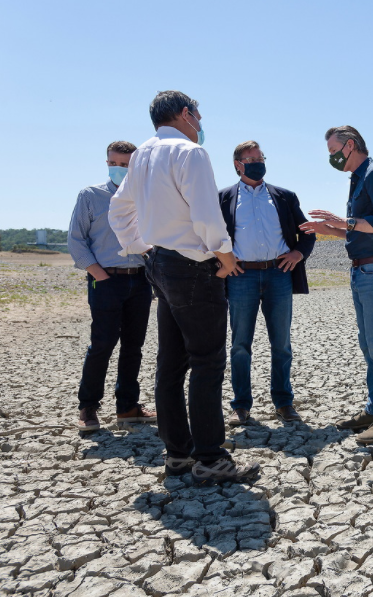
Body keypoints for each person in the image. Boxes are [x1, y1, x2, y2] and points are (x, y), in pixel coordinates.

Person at [108, 90, 259, 485]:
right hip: (193, 266)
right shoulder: (190, 153)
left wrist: (141, 247)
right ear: (186, 113)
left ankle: (177, 454)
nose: (200, 121)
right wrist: (225, 256)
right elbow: (206, 213)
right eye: (198, 113)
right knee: (207, 361)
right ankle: (210, 458)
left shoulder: (140, 155)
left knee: (171, 365)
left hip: (159, 263)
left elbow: (119, 209)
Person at [300, 126, 373, 444]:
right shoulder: (357, 180)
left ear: (349, 145)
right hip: (361, 272)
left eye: (334, 151)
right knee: (368, 344)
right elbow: (356, 232)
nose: (332, 158)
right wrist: (328, 228)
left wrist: (343, 221)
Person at [219, 141, 316, 426]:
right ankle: (241, 405)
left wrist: (299, 253)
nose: (257, 162)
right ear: (238, 164)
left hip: (278, 275)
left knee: (282, 344)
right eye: (250, 158)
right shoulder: (223, 198)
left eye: (260, 157)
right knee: (240, 345)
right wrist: (224, 263)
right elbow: (210, 237)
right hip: (241, 277)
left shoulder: (284, 197)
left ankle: (284, 402)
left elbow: (307, 233)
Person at [68, 141, 156, 432]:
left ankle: (128, 407)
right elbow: (77, 240)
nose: (119, 169)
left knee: (134, 346)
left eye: (125, 165)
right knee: (102, 344)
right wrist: (98, 274)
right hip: (104, 279)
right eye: (113, 164)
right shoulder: (91, 196)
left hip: (140, 280)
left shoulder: (148, 197)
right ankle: (88, 407)